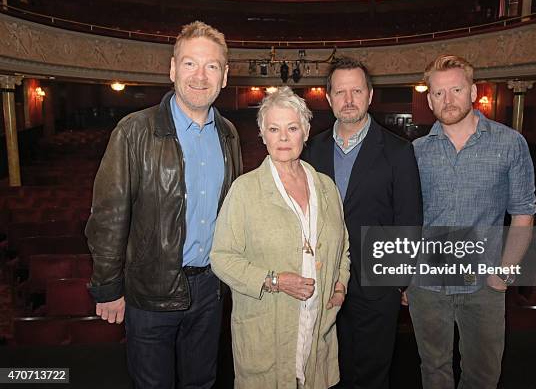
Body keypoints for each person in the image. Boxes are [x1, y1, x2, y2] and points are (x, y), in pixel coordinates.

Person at [85, 21, 242, 389]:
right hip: (149, 291)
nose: (200, 76)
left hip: (210, 290)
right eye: (190, 64)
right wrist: (108, 287)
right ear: (172, 69)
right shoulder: (133, 131)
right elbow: (108, 216)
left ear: (224, 77)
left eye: (212, 66)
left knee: (201, 382)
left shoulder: (229, 134)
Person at [409, 54, 536, 389]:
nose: (448, 100)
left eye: (456, 90)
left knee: (483, 374)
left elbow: (523, 212)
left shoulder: (510, 144)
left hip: (484, 282)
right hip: (426, 281)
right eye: (438, 93)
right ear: (429, 99)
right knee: (433, 368)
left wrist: (505, 273)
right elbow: (405, 217)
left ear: (473, 91)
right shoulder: (416, 152)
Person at [210, 86, 350, 389]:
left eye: (292, 128)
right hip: (266, 330)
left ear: (306, 131)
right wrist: (273, 280)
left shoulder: (326, 187)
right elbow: (221, 258)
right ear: (263, 134)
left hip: (317, 328)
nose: (283, 138)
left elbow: (344, 246)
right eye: (274, 129)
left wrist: (340, 283)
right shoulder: (245, 190)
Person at [301, 57, 423, 389]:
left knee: (371, 373)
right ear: (328, 98)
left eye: (356, 90)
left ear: (370, 95)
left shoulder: (399, 151)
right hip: (324, 280)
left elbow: (409, 219)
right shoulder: (311, 149)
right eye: (340, 92)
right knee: (327, 368)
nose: (349, 99)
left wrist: (402, 281)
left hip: (377, 281)